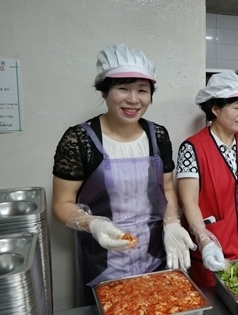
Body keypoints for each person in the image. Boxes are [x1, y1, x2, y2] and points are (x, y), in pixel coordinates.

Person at [51, 44, 195, 306]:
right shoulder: (79, 139)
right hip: (102, 263)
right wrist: (92, 223)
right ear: (104, 92)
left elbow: (168, 189)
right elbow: (61, 205)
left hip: (155, 257)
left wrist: (172, 222)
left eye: (142, 90)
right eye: (122, 88)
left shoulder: (158, 135)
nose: (133, 99)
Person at [177, 71, 238, 287]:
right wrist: (203, 239)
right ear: (215, 109)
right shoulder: (192, 149)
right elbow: (189, 202)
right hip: (214, 254)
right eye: (235, 106)